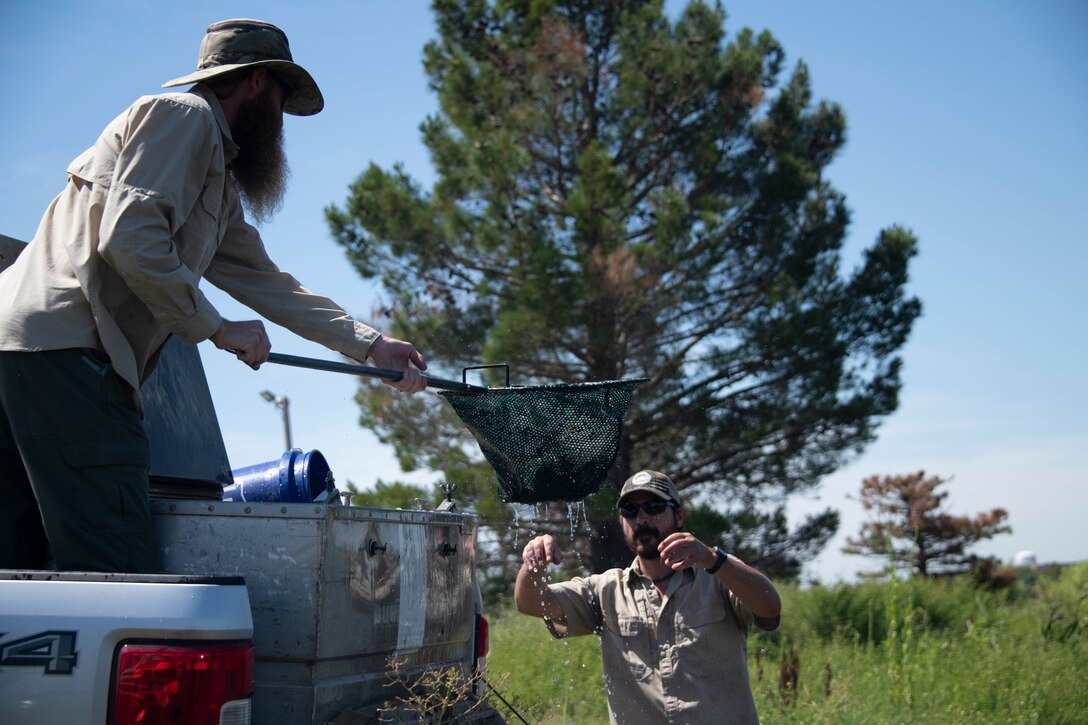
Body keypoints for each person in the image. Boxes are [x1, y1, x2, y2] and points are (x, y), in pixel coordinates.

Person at [0, 19, 428, 574]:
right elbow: (131, 238)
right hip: (68, 357)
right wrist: (217, 327)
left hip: (27, 352)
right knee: (119, 568)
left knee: (22, 563)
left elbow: (268, 282)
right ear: (255, 82)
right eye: (281, 97)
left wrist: (371, 346)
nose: (280, 121)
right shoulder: (185, 119)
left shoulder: (216, 183)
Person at [516, 470, 782, 724]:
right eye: (629, 511)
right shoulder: (606, 590)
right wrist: (533, 564)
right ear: (621, 521)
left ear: (679, 515)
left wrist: (713, 559)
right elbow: (531, 603)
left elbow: (770, 608)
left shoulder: (718, 576)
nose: (641, 519)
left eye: (653, 507)